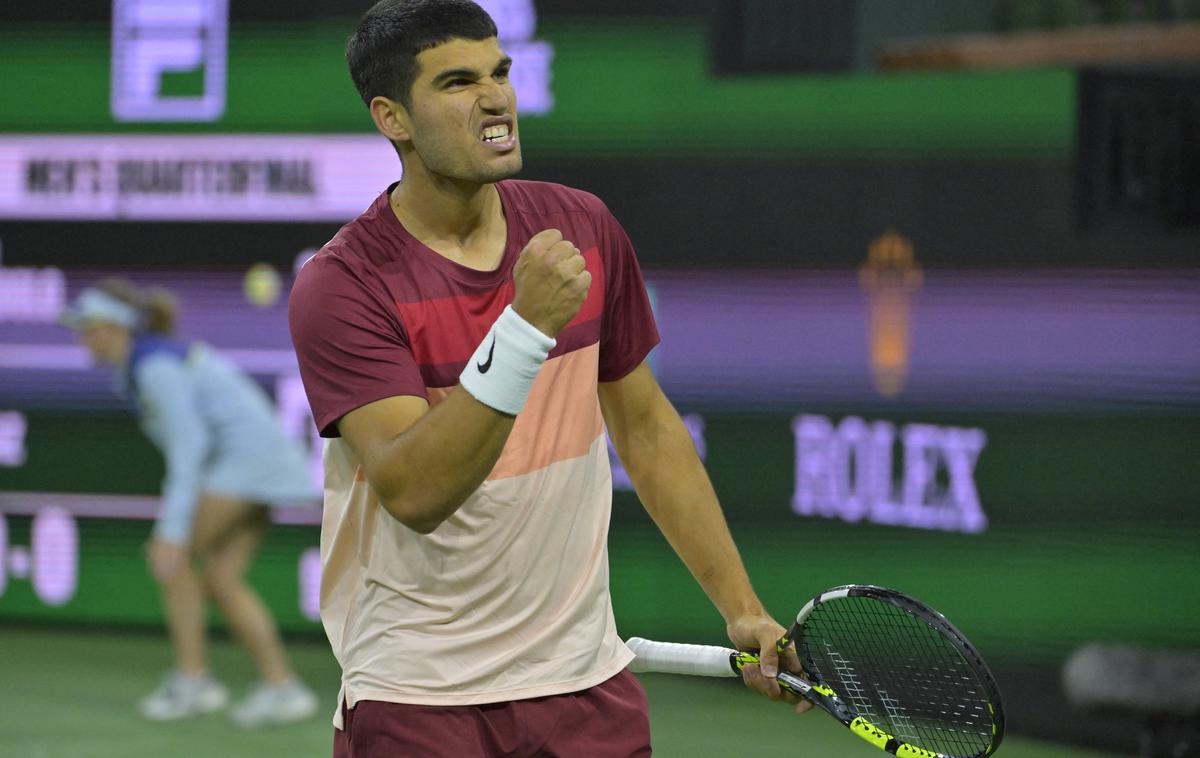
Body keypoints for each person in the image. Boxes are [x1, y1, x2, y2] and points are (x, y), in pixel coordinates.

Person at [287, 1, 811, 755]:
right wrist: (526, 329)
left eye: (500, 73)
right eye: (458, 82)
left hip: (585, 687)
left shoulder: (584, 228)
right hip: (419, 698)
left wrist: (742, 608)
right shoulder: (343, 285)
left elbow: (648, 430)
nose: (496, 97)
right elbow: (414, 490)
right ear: (392, 117)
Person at [59, 278, 320, 727]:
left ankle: (194, 682)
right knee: (220, 577)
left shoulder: (155, 369)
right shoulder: (145, 366)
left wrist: (172, 531)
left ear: (115, 327)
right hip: (264, 465)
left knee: (172, 560)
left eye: (89, 326)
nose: (83, 336)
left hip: (245, 466)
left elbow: (188, 449)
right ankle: (283, 687)